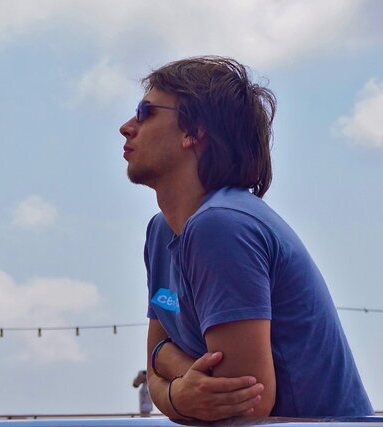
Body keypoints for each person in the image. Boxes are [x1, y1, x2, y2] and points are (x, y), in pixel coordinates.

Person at [119, 56, 373, 421]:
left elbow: (246, 405)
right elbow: (156, 359)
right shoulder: (161, 232)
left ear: (193, 132)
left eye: (146, 112)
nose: (126, 127)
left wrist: (167, 369)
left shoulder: (222, 226)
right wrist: (176, 387)